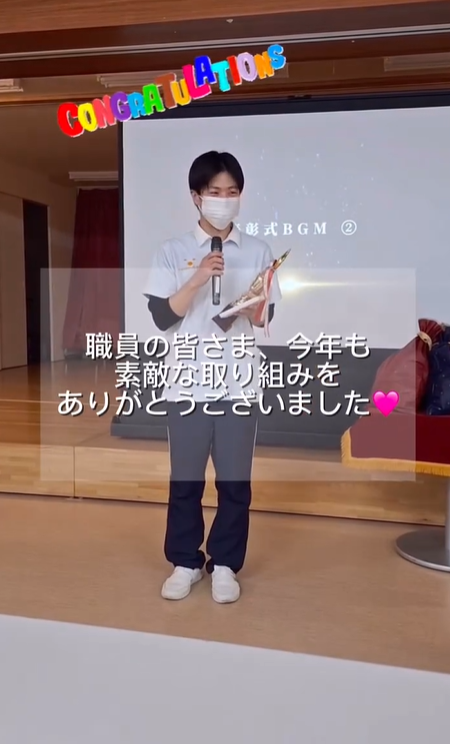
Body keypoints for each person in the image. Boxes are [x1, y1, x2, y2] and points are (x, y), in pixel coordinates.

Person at [144, 150, 281, 603]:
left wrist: (254, 303)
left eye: (232, 191)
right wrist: (198, 277)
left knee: (234, 483)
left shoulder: (258, 250)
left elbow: (265, 318)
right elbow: (163, 317)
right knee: (185, 480)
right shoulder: (173, 251)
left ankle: (224, 564)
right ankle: (185, 562)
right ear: (196, 197)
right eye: (215, 192)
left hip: (239, 382)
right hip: (187, 382)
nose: (224, 199)